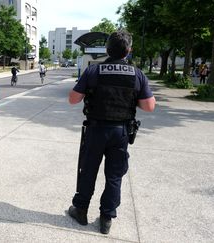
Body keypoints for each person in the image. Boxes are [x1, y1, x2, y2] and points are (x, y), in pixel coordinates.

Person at [67, 31, 156, 234]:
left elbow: (73, 99)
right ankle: (107, 217)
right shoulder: (137, 74)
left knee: (88, 170)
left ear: (107, 49)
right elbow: (149, 106)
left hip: (96, 129)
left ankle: (80, 209)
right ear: (129, 50)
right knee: (114, 175)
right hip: (121, 131)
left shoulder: (94, 71)